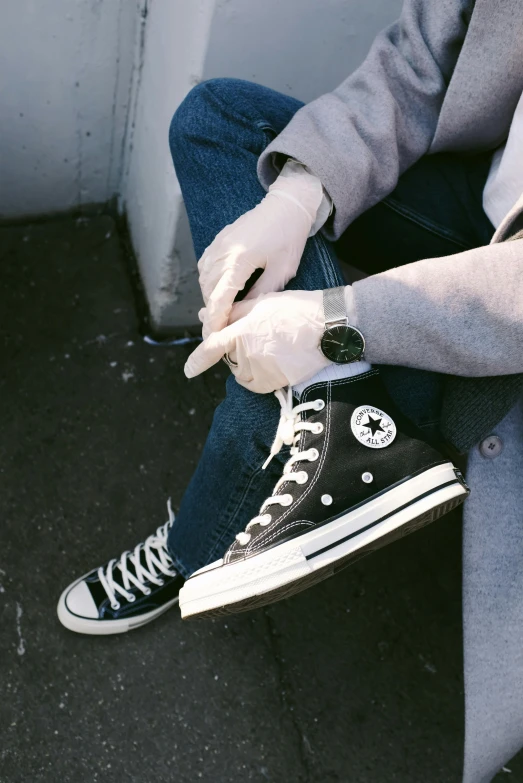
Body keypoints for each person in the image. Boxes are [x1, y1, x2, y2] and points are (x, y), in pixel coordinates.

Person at [57, 1, 523, 780]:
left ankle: (191, 549)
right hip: (482, 205)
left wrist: (334, 325)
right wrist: (294, 200)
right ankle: (338, 414)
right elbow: (415, 63)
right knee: (216, 120)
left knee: (262, 392)